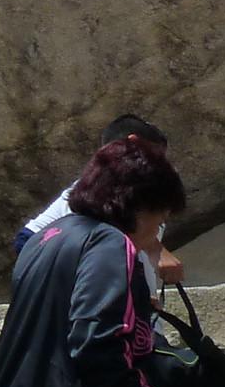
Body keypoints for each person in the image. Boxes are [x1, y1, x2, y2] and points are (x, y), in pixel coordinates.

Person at [0, 137, 185, 387]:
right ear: (138, 205)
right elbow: (97, 343)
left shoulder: (48, 238)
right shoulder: (111, 244)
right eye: (158, 222)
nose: (154, 235)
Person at [18, 116, 185, 288]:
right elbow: (113, 225)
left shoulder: (124, 192)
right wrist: (157, 251)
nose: (160, 167)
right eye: (156, 157)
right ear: (133, 144)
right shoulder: (99, 188)